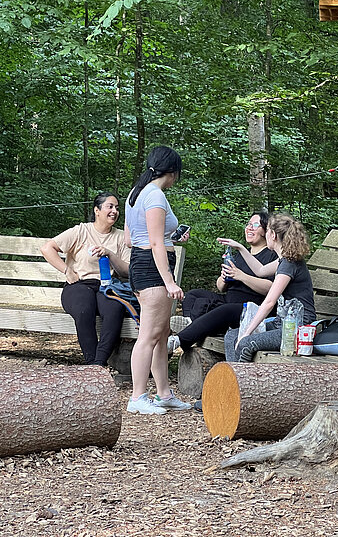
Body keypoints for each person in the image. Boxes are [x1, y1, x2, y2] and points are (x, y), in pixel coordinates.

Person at [124, 145, 191, 415]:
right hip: (152, 270)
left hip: (142, 264)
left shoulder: (136, 193)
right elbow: (154, 243)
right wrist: (170, 281)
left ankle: (164, 394)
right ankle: (137, 396)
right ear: (172, 171)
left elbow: (130, 239)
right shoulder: (155, 196)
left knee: (161, 334)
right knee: (149, 335)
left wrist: (172, 237)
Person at [41, 192, 131, 366]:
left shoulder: (121, 237)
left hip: (107, 286)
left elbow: (127, 271)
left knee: (115, 310)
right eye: (110, 207)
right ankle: (92, 362)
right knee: (84, 310)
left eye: (117, 208)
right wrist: (67, 270)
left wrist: (110, 253)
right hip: (79, 285)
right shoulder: (81, 231)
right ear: (97, 210)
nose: (114, 211)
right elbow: (47, 248)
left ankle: (98, 363)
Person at [170, 212, 278, 352]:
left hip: (249, 307)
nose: (250, 228)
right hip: (228, 299)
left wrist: (241, 276)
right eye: (248, 224)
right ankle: (191, 323)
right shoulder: (239, 255)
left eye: (255, 225)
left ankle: (178, 340)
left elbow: (270, 288)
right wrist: (224, 278)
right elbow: (221, 288)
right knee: (193, 295)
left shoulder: (271, 256)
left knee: (225, 310)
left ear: (265, 230)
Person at [218, 213, 316, 363]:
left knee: (245, 343)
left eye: (268, 230)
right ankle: (233, 375)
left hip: (297, 327)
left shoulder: (289, 264)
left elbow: (269, 302)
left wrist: (247, 332)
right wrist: (240, 248)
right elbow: (260, 270)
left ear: (273, 235)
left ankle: (242, 377)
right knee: (232, 335)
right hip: (282, 323)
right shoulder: (284, 260)